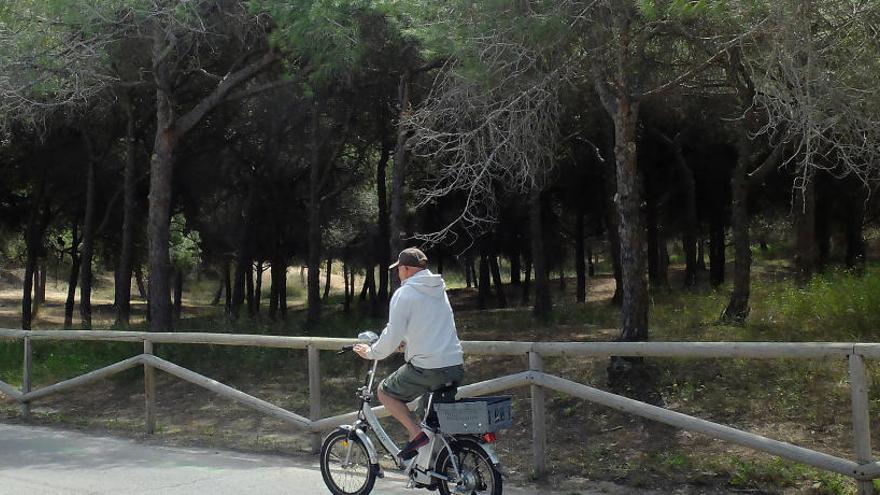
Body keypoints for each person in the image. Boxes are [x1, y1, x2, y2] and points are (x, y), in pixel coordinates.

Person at [354, 247, 464, 461]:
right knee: (431, 419)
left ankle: (416, 435)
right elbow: (431, 326)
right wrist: (409, 342)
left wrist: (371, 352)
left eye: (399, 270)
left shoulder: (405, 293)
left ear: (405, 268)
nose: (397, 274)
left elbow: (392, 332)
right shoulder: (439, 289)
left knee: (385, 392)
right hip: (455, 365)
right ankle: (435, 465)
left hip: (429, 368)